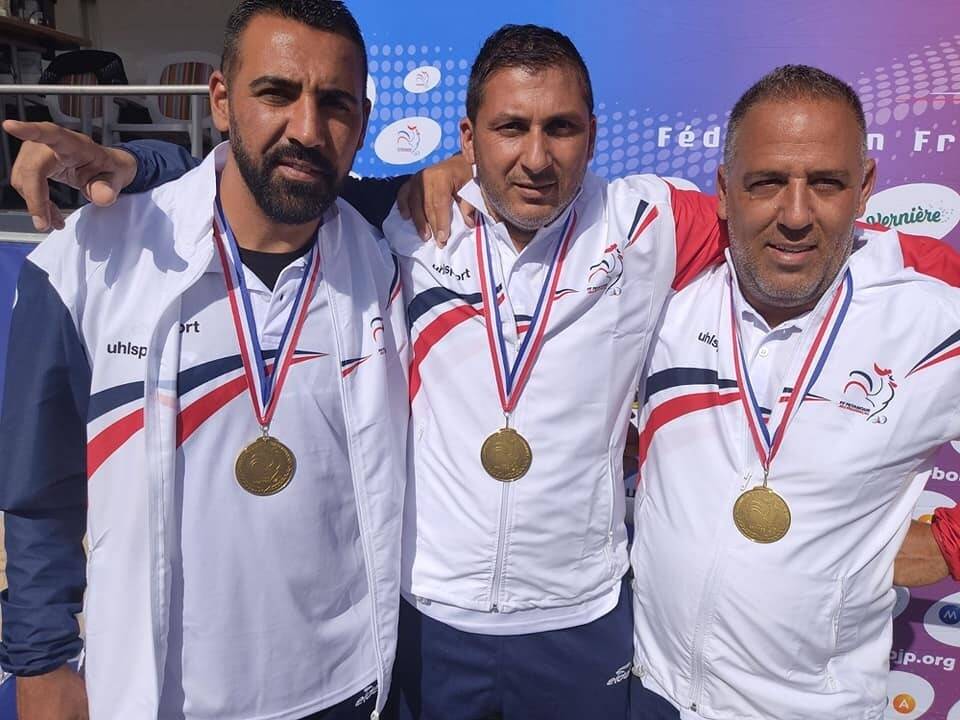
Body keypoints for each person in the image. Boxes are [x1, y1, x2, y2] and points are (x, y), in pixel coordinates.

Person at [6, 31, 959, 720]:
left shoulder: (653, 224)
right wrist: (144, 161)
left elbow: (797, 226)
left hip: (585, 620)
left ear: (594, 134)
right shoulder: (398, 221)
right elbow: (271, 181)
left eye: (561, 128)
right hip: (429, 620)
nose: (535, 157)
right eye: (510, 127)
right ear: (467, 136)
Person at [0, 2, 408, 719]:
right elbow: (40, 487)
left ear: (363, 121)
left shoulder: (384, 249)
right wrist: (41, 658)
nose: (307, 129)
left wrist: (141, 159)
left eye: (335, 104)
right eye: (276, 93)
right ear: (221, 100)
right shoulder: (87, 261)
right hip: (164, 696)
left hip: (349, 684)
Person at [629, 65, 960, 719]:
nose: (797, 215)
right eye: (768, 182)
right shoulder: (666, 287)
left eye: (826, 183)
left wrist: (950, 542)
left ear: (865, 187)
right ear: (725, 191)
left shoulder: (929, 318)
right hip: (651, 690)